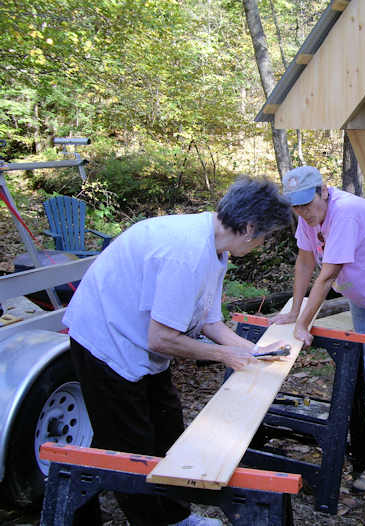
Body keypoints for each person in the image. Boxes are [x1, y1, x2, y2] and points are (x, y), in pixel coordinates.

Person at [63, 177, 292, 526]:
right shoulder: (186, 253)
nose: (262, 244)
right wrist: (224, 357)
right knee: (132, 447)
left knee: (168, 427)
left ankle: (175, 516)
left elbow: (209, 322)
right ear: (248, 228)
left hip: (138, 340)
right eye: (264, 236)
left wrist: (257, 351)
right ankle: (147, 521)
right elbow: (161, 339)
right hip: (106, 340)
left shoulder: (216, 249)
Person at [271, 165, 365, 492]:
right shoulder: (307, 215)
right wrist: (294, 312)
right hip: (361, 295)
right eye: (295, 207)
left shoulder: (346, 214)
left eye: (307, 205)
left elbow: (325, 276)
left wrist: (304, 325)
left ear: (323, 191)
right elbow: (305, 263)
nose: (303, 213)